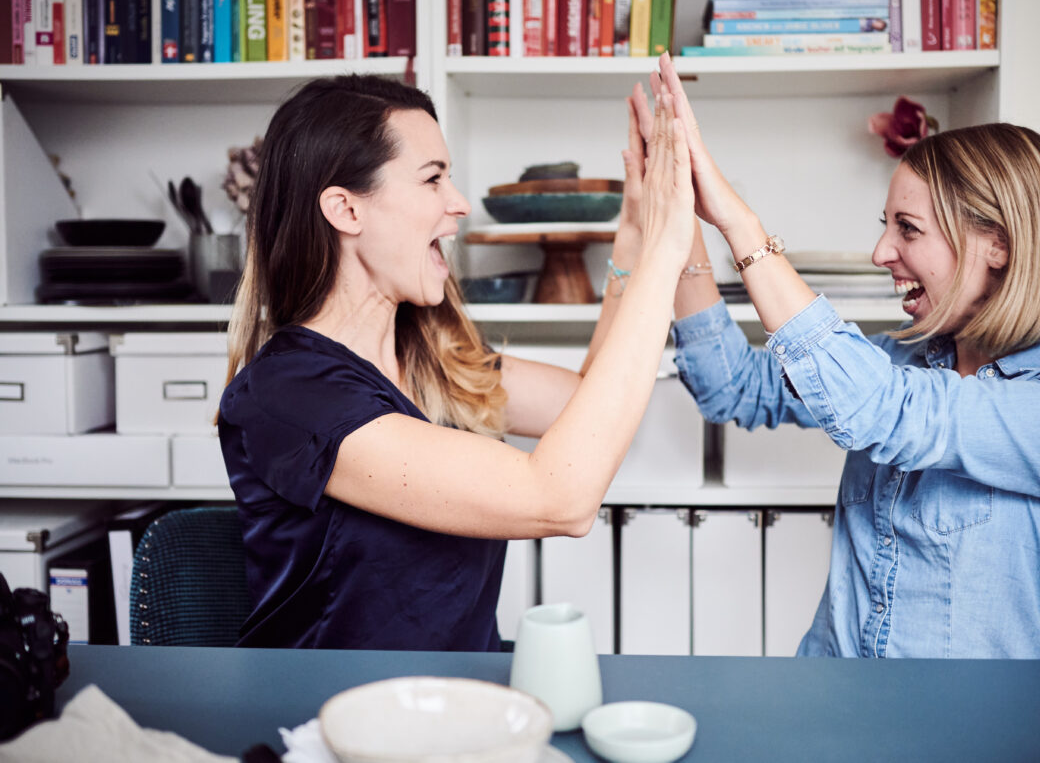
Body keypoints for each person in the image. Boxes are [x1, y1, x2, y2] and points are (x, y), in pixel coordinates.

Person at [643, 54, 1040, 658]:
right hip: (832, 713)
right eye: (886, 225)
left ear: (999, 245)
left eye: (908, 229)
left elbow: (877, 408)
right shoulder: (902, 361)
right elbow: (732, 386)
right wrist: (679, 216)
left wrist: (743, 226)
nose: (881, 250)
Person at [217, 73, 695, 650]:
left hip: (462, 701)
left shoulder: (430, 359)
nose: (460, 203)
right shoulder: (289, 394)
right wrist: (667, 252)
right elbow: (559, 499)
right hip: (344, 719)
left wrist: (634, 236)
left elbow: (592, 402)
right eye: (433, 179)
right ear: (345, 209)